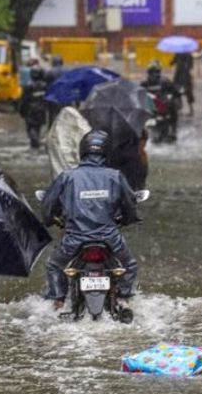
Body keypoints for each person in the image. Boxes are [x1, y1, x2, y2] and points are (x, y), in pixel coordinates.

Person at [42, 130, 139, 310]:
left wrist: (50, 220)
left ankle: (58, 302)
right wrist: (128, 219)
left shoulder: (67, 176)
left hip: (74, 238)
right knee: (130, 265)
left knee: (54, 266)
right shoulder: (115, 176)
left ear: (82, 151)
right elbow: (130, 204)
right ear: (107, 152)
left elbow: (48, 204)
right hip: (110, 237)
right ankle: (123, 299)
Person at [141, 61, 181, 142]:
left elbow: (175, 92)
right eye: (152, 72)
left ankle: (173, 130)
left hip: (164, 107)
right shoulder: (144, 84)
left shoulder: (165, 82)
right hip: (151, 110)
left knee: (173, 108)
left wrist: (174, 97)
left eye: (156, 72)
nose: (154, 74)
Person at [19, 66, 48, 148]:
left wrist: (22, 111)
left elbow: (24, 100)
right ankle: (36, 141)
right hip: (41, 110)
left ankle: (35, 141)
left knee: (31, 127)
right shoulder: (45, 86)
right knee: (37, 127)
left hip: (31, 111)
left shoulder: (28, 87)